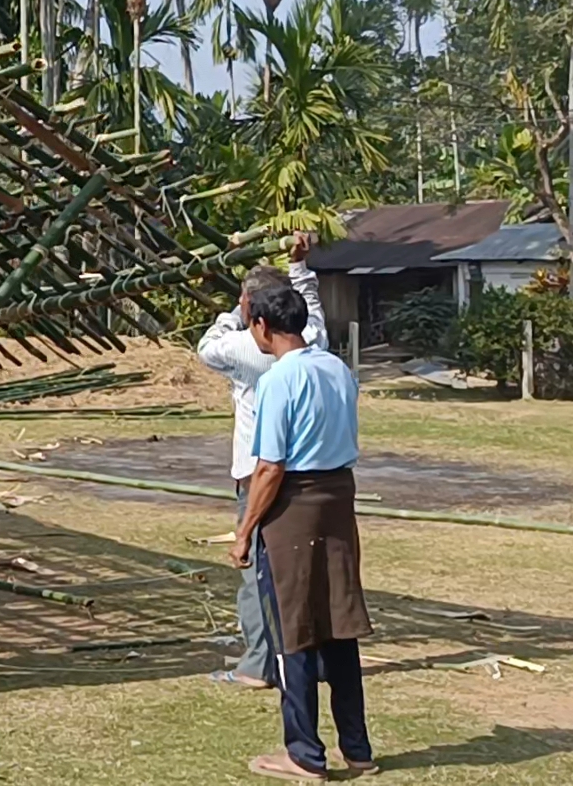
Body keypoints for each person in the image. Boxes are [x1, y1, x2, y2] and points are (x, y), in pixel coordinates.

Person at [230, 285, 374, 783]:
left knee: (294, 631)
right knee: (339, 623)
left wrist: (245, 530)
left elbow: (270, 467)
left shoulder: (277, 380)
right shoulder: (338, 368)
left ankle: (304, 753)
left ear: (263, 327)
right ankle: (357, 748)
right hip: (339, 498)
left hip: (295, 506)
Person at [197, 234, 325, 691]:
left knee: (254, 570)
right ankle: (306, 655)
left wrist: (235, 312)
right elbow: (315, 312)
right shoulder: (315, 346)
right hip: (310, 472)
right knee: (303, 570)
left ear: (257, 314)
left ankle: (257, 662)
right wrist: (301, 268)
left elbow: (207, 347)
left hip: (260, 470)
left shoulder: (245, 346)